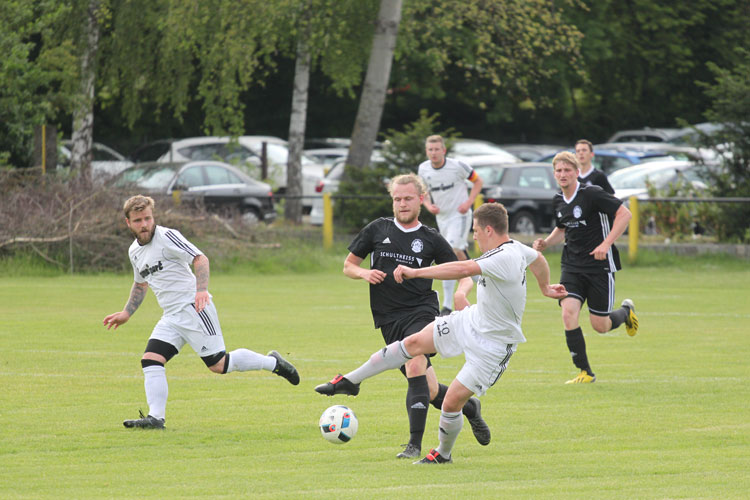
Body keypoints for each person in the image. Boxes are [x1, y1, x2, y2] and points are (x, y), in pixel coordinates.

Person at [315, 203, 566, 464]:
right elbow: (538, 260)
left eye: (475, 230)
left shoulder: (503, 257)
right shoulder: (517, 248)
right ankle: (352, 381)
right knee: (412, 343)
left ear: (488, 230)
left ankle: (443, 454)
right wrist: (545, 287)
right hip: (471, 320)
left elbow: (461, 269)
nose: (474, 236)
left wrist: (415, 272)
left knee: (451, 403)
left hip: (494, 344)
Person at [315, 173, 490, 459]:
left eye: (408, 198)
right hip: (388, 318)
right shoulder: (377, 229)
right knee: (430, 390)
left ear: (421, 199)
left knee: (415, 364)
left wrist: (461, 294)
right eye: (397, 199)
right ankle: (469, 408)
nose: (402, 204)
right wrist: (363, 273)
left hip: (421, 310)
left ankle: (413, 445)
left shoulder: (430, 238)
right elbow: (348, 265)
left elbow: (465, 271)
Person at [103, 195, 299, 429]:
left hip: (193, 308)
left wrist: (201, 290)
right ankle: (156, 418)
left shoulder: (167, 236)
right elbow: (140, 283)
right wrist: (126, 313)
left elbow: (200, 258)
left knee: (219, 364)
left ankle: (272, 363)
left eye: (147, 218)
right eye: (138, 220)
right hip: (171, 317)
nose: (144, 224)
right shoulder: (134, 251)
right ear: (128, 223)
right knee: (151, 360)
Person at [533, 152, 639, 384]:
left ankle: (625, 313)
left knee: (600, 325)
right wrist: (546, 243)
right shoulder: (558, 199)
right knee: (568, 312)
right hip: (571, 265)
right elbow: (562, 228)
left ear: (577, 172)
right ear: (554, 174)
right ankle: (584, 372)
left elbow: (624, 214)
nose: (563, 174)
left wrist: (606, 243)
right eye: (559, 171)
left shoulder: (591, 194)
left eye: (567, 170)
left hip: (599, 266)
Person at [418, 135, 483, 316]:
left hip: (460, 215)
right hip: (443, 219)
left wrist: (469, 202)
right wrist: (428, 205)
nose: (434, 153)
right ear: (426, 151)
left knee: (452, 249)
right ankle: (478, 280)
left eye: (437, 149)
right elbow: (423, 191)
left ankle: (475, 280)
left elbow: (478, 181)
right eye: (430, 150)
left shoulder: (457, 166)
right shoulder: (423, 169)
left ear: (444, 151)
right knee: (449, 256)